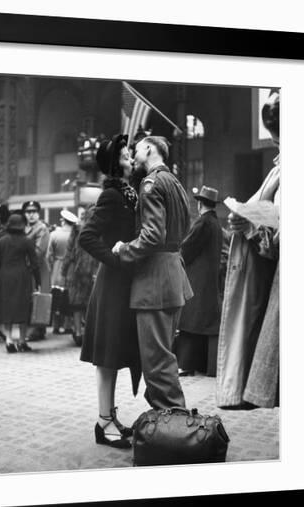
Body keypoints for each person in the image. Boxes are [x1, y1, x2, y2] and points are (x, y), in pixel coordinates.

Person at [112, 135, 193, 411]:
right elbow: (184, 227)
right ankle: (172, 422)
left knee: (156, 360)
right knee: (165, 354)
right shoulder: (175, 183)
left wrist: (123, 249)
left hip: (154, 282)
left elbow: (152, 236)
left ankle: (172, 425)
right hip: (173, 277)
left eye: (136, 150)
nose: (133, 156)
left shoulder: (151, 183)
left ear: (149, 148)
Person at [216, 90, 280, 408]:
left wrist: (253, 225)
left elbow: (279, 238)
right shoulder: (278, 171)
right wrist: (248, 222)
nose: (278, 148)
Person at [79, 134, 141, 449]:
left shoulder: (126, 192)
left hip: (121, 286)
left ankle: (109, 416)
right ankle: (103, 422)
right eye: (127, 152)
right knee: (106, 357)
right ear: (116, 162)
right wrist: (115, 260)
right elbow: (87, 237)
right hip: (112, 286)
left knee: (113, 353)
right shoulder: (112, 195)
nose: (131, 154)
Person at [175, 185, 223, 377]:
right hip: (209, 281)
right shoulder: (216, 224)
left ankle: (186, 365)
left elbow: (186, 248)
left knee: (190, 321)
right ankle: (203, 365)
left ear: (201, 203)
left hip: (196, 281)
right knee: (204, 323)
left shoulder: (203, 223)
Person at [0, 212, 41, 353]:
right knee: (23, 307)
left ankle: (9, 340)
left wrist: (0, 270)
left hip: (5, 275)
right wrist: (37, 280)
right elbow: (35, 263)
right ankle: (22, 341)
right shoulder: (27, 241)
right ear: (22, 225)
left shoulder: (2, 240)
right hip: (22, 276)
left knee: (8, 307)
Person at [61, 206, 99, 346]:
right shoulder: (99, 229)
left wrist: (64, 271)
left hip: (76, 270)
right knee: (90, 304)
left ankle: (78, 333)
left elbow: (69, 251)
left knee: (77, 304)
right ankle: (90, 334)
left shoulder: (76, 229)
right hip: (93, 270)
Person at [47, 209, 78, 334]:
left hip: (57, 267)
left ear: (63, 221)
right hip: (71, 268)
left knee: (56, 296)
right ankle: (68, 325)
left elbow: (49, 255)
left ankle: (55, 325)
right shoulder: (76, 236)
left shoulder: (54, 234)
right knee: (69, 297)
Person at [23, 200, 51, 341]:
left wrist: (24, 262)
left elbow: (39, 251)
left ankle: (38, 329)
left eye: (34, 212)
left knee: (40, 296)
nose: (31, 215)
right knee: (31, 297)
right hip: (28, 268)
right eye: (28, 212)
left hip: (39, 268)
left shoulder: (42, 228)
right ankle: (35, 328)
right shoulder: (24, 228)